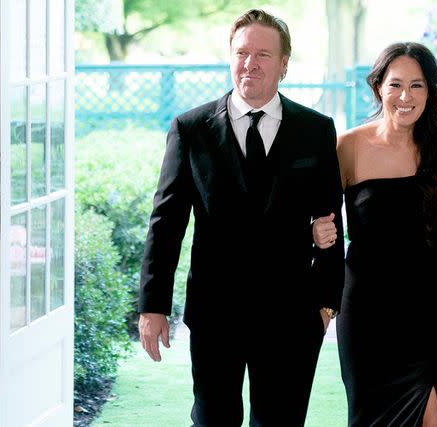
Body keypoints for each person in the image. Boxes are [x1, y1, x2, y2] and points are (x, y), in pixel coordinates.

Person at [137, 9, 345, 426]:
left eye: (263, 54)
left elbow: (330, 223)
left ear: (284, 63)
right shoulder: (190, 129)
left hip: (291, 315)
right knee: (214, 419)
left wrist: (325, 303)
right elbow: (166, 223)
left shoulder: (316, 130)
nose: (250, 63)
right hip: (216, 312)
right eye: (241, 52)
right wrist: (153, 306)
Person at [312, 42, 437, 426]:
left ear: (431, 91)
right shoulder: (348, 147)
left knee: (432, 417)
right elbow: (318, 220)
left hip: (426, 307)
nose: (406, 96)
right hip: (366, 311)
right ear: (379, 88)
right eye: (395, 85)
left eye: (418, 85)